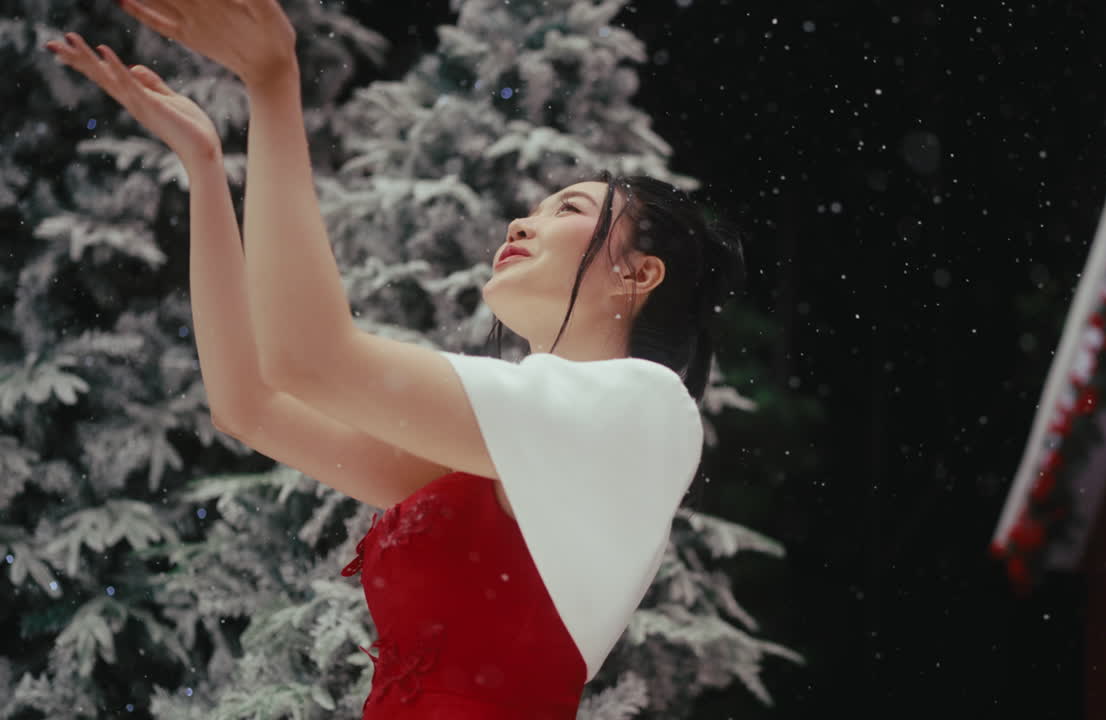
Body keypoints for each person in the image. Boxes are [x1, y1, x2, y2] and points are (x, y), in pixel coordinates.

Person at [45, 2, 744, 717]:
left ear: (639, 274)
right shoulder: (510, 460)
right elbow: (249, 402)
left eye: (568, 210)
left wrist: (274, 84)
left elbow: (310, 361)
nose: (522, 221)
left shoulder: (644, 407)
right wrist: (205, 168)